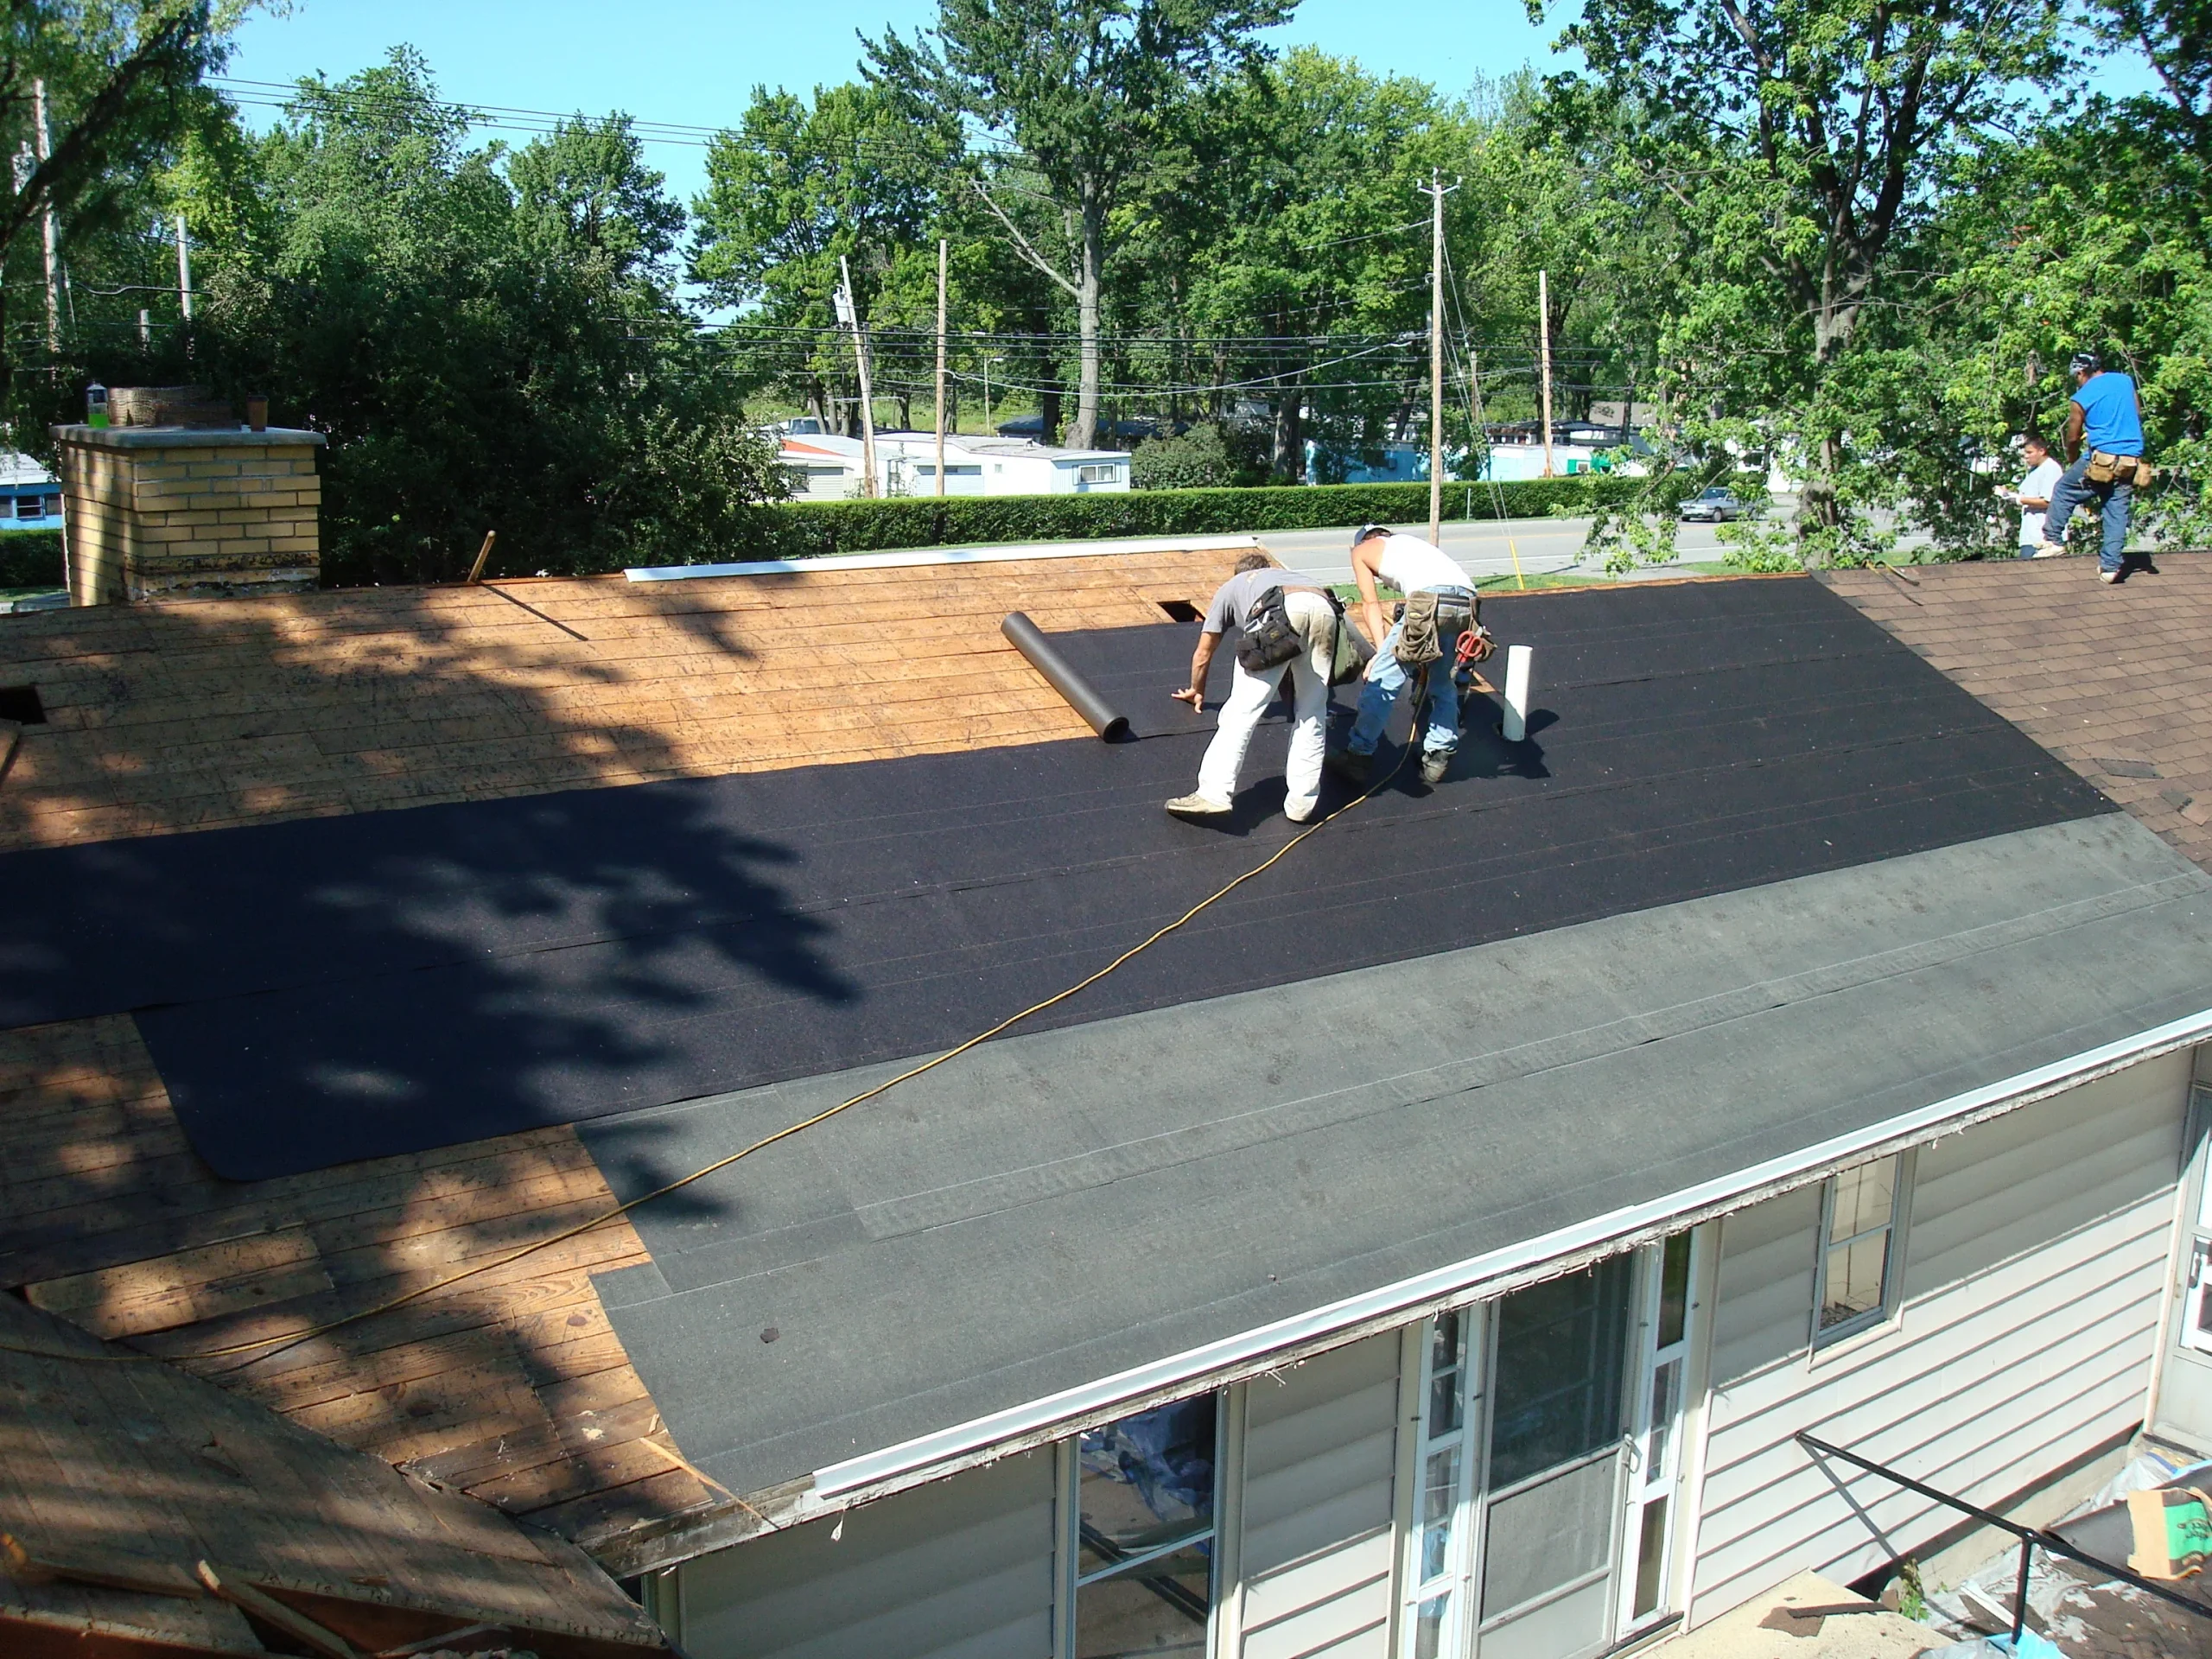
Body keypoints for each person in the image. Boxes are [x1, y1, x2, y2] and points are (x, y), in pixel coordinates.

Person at [1165, 552, 1363, 823]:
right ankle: (1301, 804)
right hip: (1324, 607)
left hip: (1278, 609)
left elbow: (1204, 652)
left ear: (1238, 573)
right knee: (1312, 711)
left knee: (1241, 711)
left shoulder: (1233, 586)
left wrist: (1196, 689)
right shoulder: (1292, 577)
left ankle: (1213, 794)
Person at [1329, 524, 1478, 787]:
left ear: (1362, 542)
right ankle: (1438, 756)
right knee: (1443, 682)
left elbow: (1371, 604)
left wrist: (1380, 654)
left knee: (1382, 679)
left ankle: (1358, 756)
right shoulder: (1410, 544)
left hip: (1429, 600)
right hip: (1467, 603)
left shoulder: (1361, 550)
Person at [2035, 351, 2149, 582]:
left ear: (2081, 372)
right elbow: (2137, 412)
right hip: (2129, 460)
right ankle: (2110, 568)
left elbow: (2073, 436)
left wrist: (2071, 456)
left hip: (2101, 459)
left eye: (2076, 376)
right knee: (2116, 511)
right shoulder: (2124, 381)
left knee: (2064, 490)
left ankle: (2054, 540)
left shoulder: (2082, 397)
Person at [1998, 435, 2063, 559]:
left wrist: (2018, 500)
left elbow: (2048, 501)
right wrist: (2008, 494)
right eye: (2025, 453)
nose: (2026, 456)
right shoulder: (2033, 470)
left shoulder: (2051, 469)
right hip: (2029, 535)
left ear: (2042, 451)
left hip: (2044, 537)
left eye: (2030, 452)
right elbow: (2028, 496)